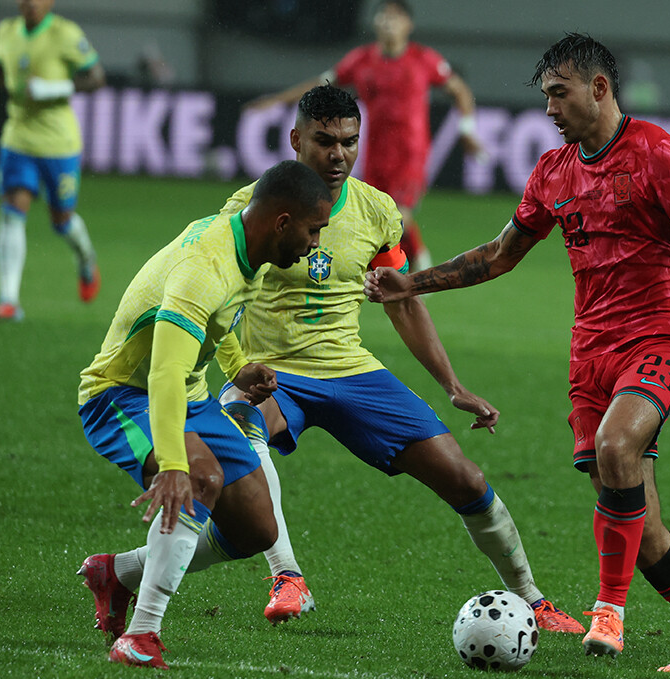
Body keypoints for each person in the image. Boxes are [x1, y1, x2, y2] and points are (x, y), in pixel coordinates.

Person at [364, 33, 670, 674]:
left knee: (616, 446)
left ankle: (609, 610)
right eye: (545, 96)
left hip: (664, 333)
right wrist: (413, 283)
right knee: (644, 528)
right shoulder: (554, 173)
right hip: (591, 354)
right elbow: (497, 256)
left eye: (558, 93)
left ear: (598, 88)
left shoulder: (661, 155)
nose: (549, 109)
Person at [90, 84, 580, 639]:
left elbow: (400, 298)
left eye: (349, 141)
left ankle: (532, 599)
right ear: (297, 139)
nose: (338, 154)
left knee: (465, 478)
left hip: (350, 370)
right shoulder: (256, 206)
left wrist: (452, 385)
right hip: (271, 371)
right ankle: (287, 576)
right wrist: (237, 368)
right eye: (325, 141)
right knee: (243, 431)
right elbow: (211, 300)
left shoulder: (375, 210)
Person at [76, 160, 332, 669]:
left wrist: (238, 366)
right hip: (121, 395)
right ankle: (142, 635)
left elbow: (222, 321)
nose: (315, 245)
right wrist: (172, 464)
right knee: (199, 477)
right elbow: (164, 374)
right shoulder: (204, 268)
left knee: (257, 529)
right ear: (282, 221)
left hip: (192, 398)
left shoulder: (250, 248)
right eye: (313, 230)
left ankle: (119, 574)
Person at [247, 0, 482, 272]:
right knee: (376, 213)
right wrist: (278, 100)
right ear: (375, 23)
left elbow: (460, 91)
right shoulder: (361, 60)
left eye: (395, 17)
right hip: (374, 152)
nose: (387, 22)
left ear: (409, 25)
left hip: (410, 153)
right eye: (383, 16)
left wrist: (466, 129)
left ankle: (420, 263)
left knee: (399, 213)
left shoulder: (423, 59)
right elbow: (322, 83)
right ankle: (386, 266)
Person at [0, 0, 105, 321]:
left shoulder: (65, 34)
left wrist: (55, 88)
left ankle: (86, 260)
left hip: (59, 144)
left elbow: (96, 77)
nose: (30, 2)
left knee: (61, 221)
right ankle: (8, 299)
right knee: (12, 212)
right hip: (18, 139)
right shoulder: (5, 33)